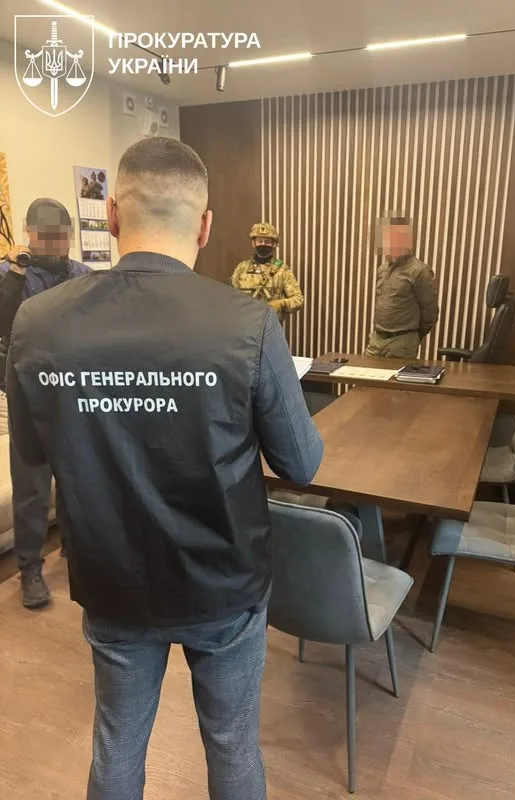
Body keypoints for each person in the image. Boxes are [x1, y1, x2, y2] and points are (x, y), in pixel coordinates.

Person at [7, 137, 323, 800]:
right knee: (232, 744)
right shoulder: (248, 323)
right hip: (224, 582)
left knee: (118, 741)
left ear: (111, 216)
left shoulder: (39, 322)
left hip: (113, 580)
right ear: (205, 225)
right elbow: (301, 462)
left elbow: (33, 455)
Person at [0, 198, 90, 609]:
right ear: (30, 233)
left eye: (61, 236)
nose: (56, 245)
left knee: (77, 479)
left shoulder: (82, 276)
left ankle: (74, 546)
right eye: (46, 237)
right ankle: (30, 568)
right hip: (28, 398)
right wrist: (16, 275)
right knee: (32, 489)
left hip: (72, 394)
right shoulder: (11, 274)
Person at [365, 214, 439, 358]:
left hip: (402, 341)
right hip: (377, 339)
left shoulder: (419, 271)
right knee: (361, 372)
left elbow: (430, 312)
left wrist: (413, 336)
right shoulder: (383, 269)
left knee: (396, 374)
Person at [231, 222, 304, 322]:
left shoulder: (282, 270)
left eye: (267, 242)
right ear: (253, 243)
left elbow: (298, 300)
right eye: (260, 241)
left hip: (270, 326)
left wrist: (281, 304)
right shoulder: (242, 268)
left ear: (274, 244)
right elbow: (231, 297)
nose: (263, 244)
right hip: (244, 324)